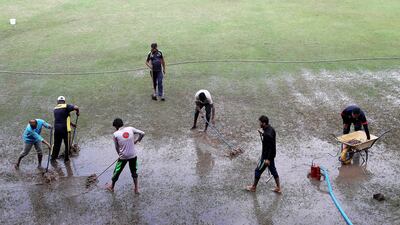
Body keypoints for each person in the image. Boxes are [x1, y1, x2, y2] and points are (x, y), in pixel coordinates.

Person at [106, 118, 145, 193]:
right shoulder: (130, 128)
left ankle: (112, 187)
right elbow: (143, 133)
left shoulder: (115, 134)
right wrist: (137, 140)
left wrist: (119, 155)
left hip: (123, 157)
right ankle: (136, 189)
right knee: (134, 172)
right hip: (133, 156)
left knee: (116, 171)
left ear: (116, 127)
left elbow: (117, 148)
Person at [246, 115, 281, 193]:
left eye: (260, 123)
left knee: (257, 171)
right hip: (272, 155)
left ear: (264, 123)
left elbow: (270, 147)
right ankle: (278, 187)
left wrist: (267, 159)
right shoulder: (271, 129)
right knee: (273, 170)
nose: (259, 124)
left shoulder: (267, 134)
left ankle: (253, 187)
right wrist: (262, 134)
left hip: (266, 157)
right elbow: (271, 142)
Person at [52, 96, 79, 162]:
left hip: (57, 129)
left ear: (57, 102)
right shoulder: (66, 106)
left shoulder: (55, 109)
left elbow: (63, 118)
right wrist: (77, 112)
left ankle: (53, 158)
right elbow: (76, 107)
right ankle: (66, 159)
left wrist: (72, 124)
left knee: (56, 144)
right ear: (64, 101)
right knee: (67, 144)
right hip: (65, 129)